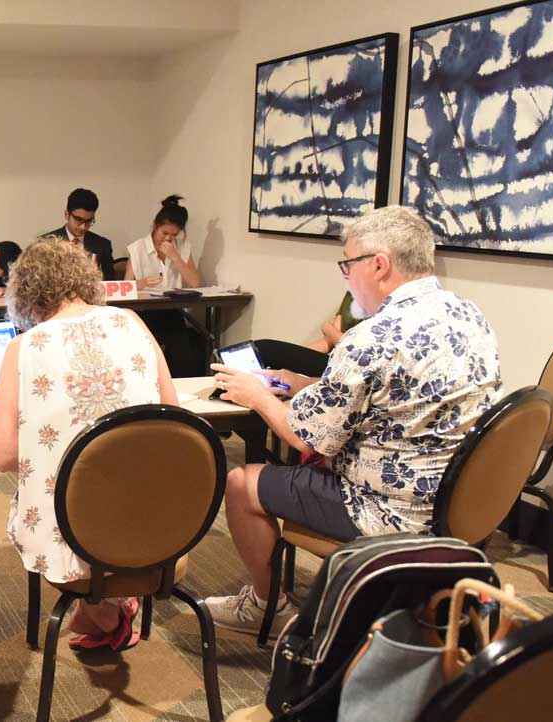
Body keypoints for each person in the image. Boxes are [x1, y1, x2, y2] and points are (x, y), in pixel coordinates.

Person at [204, 206, 501, 635]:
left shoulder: (373, 336)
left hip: (390, 510)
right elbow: (389, 397)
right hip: (459, 500)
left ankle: (267, 605)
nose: (345, 277)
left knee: (242, 483)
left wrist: (257, 396)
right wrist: (300, 382)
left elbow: (306, 439)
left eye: (348, 264)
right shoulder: (469, 316)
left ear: (379, 264)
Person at [0, 239, 177, 652]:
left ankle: (104, 608)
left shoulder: (25, 348)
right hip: (157, 528)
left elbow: (2, 454)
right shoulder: (133, 323)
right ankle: (109, 604)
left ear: (28, 295)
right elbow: (173, 420)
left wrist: (53, 442)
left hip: (69, 543)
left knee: (48, 491)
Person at [124, 195, 204, 377]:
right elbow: (125, 288)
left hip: (174, 311)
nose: (168, 238)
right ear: (155, 225)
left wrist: (176, 257)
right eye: (164, 233)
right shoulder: (137, 248)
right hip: (145, 312)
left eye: (174, 235)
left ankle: (181, 386)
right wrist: (142, 283)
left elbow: (195, 283)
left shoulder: (182, 247)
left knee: (184, 346)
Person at [255, 291, 370, 378]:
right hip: (335, 354)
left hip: (353, 366)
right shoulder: (354, 290)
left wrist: (327, 328)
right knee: (263, 356)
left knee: (264, 349)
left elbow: (355, 351)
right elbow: (328, 342)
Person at [42, 188, 116, 280]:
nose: (83, 227)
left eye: (89, 221)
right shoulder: (46, 244)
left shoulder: (102, 245)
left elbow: (110, 282)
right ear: (66, 215)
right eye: (78, 220)